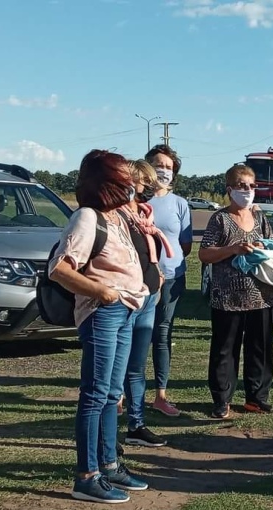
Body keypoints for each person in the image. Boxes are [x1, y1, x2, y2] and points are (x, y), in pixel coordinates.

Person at [49, 149, 149, 503]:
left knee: (111, 394)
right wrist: (103, 292)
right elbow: (60, 269)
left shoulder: (117, 216)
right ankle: (86, 475)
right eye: (124, 177)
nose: (131, 184)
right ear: (107, 181)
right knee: (94, 393)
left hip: (125, 311)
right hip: (103, 312)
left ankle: (109, 464)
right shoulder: (87, 217)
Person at [199, 165, 273, 419]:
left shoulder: (260, 217)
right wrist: (232, 249)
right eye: (242, 186)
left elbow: (272, 246)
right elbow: (204, 253)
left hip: (261, 296)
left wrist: (261, 248)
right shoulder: (220, 219)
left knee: (260, 349)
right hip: (227, 299)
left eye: (252, 186)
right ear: (230, 189)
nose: (248, 191)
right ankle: (222, 400)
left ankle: (257, 397)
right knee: (225, 350)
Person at [118, 159, 171, 447]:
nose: (149, 187)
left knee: (136, 367)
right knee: (117, 368)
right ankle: (108, 429)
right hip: (127, 298)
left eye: (151, 182)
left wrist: (158, 273)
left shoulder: (144, 214)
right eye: (143, 182)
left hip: (149, 296)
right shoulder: (118, 216)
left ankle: (136, 425)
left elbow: (148, 252)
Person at [146, 144, 192, 417]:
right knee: (136, 334)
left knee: (162, 334)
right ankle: (123, 394)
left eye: (168, 167)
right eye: (158, 164)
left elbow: (185, 244)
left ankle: (160, 395)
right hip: (142, 279)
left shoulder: (180, 204)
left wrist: (168, 261)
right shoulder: (137, 200)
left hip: (173, 277)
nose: (163, 170)